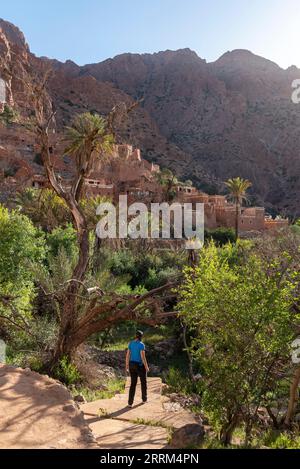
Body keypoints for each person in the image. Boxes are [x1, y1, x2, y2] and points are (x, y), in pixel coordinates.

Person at [126, 330, 150, 408]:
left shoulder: (130, 343)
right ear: (141, 337)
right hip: (139, 366)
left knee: (133, 384)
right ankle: (144, 399)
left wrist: (127, 365)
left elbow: (128, 355)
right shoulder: (141, 345)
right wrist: (146, 367)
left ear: (135, 336)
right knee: (143, 382)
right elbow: (143, 357)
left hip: (131, 365)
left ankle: (130, 403)